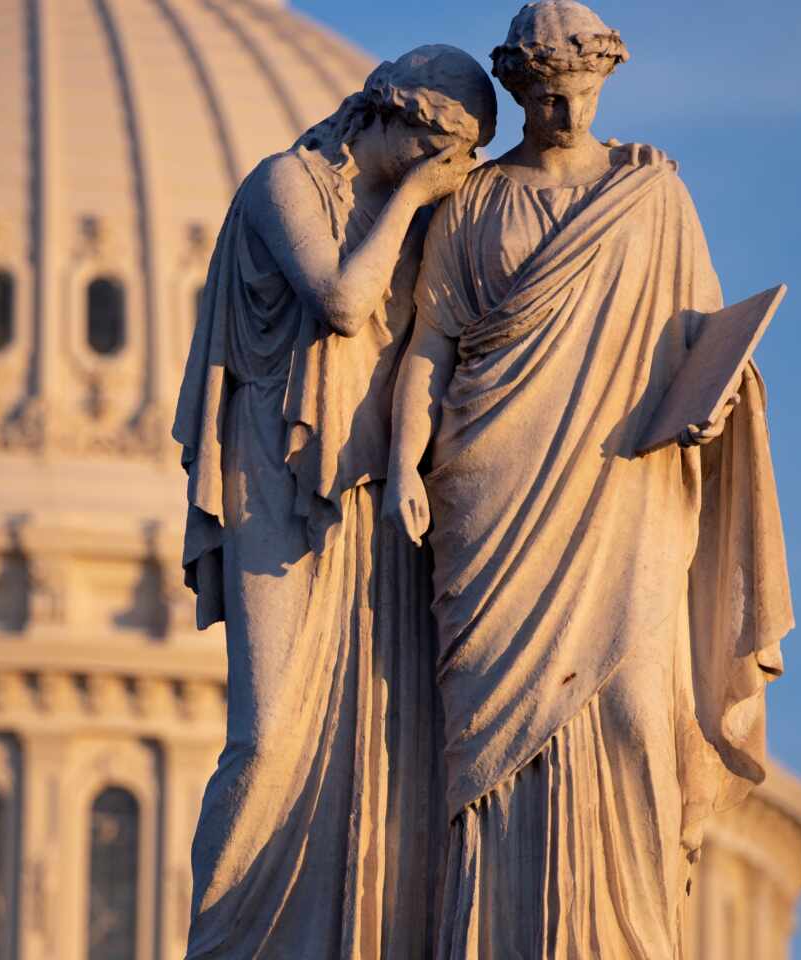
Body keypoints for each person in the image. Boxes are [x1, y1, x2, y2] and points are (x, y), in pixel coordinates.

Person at [383, 4, 794, 957]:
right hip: (489, 506)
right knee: (486, 751)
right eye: (541, 97)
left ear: (603, 81)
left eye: (574, 95)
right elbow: (429, 347)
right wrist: (405, 462)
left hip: (629, 501)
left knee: (633, 719)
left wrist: (723, 404)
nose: (559, 112)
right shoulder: (473, 204)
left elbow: (701, 344)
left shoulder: (654, 200)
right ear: (518, 91)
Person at [172, 45, 496, 958]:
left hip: (371, 507)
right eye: (443, 145)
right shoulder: (289, 183)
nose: (450, 170)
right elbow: (344, 304)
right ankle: (229, 936)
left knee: (382, 743)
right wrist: (411, 200)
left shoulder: (421, 211)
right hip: (275, 481)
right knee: (269, 735)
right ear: (390, 115)